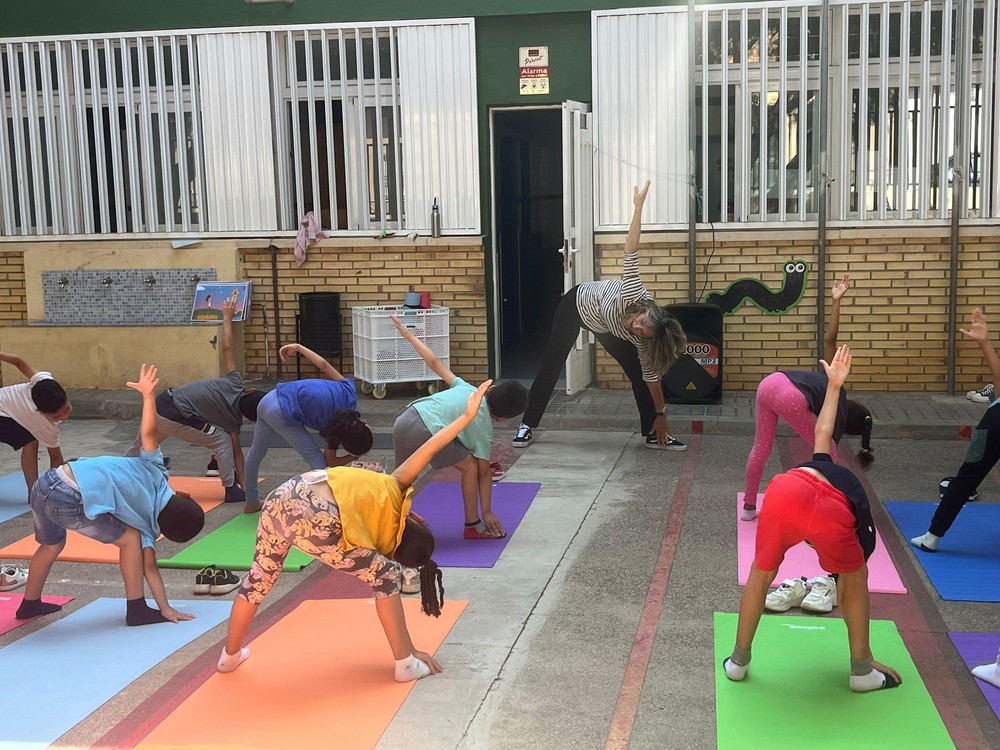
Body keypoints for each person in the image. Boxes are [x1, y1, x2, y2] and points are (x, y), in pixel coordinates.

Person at [217, 380, 495, 682]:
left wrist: (465, 417)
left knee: (260, 577)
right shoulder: (381, 537)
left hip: (284, 496)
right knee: (386, 576)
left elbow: (430, 447)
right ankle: (405, 664)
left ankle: (229, 656)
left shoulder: (395, 483)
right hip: (318, 516)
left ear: (415, 519)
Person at [723, 346, 902, 693]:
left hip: (784, 491)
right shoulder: (850, 497)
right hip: (833, 511)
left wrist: (834, 386)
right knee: (854, 578)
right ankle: (862, 669)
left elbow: (822, 429)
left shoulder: (822, 455)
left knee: (761, 572)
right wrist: (835, 386)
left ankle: (737, 662)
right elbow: (856, 560)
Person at [16, 364, 205, 625]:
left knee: (51, 544)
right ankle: (137, 609)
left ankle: (29, 604)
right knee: (131, 539)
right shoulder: (148, 529)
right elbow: (150, 568)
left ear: (183, 495)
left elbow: (149, 433)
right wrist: (166, 608)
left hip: (46, 482)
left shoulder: (156, 469)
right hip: (67, 498)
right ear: (165, 531)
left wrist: (149, 397)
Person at [512, 181, 687, 452]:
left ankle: (653, 432)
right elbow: (631, 248)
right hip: (577, 306)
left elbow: (651, 377)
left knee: (639, 374)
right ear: (643, 310)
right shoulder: (633, 291)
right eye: (641, 323)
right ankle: (527, 425)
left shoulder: (642, 339)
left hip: (606, 327)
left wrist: (662, 415)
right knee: (552, 363)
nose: (637, 328)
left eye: (642, 333)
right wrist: (638, 208)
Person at [741, 275, 874, 523]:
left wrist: (836, 302)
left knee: (761, 446)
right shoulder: (838, 405)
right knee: (828, 453)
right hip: (791, 395)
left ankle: (749, 507)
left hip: (770, 382)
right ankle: (828, 509)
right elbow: (826, 441)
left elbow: (829, 340)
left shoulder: (833, 379)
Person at [390, 315, 528, 538]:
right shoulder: (484, 426)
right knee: (471, 467)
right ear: (502, 418)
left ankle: (391, 524)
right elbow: (484, 473)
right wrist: (488, 512)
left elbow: (435, 363)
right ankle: (472, 525)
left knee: (398, 481)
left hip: (406, 418)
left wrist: (409, 336)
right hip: (427, 429)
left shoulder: (467, 388)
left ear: (491, 388)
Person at [127, 299, 264, 505]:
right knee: (222, 441)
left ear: (250, 390)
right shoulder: (233, 420)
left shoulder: (234, 381)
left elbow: (227, 348)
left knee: (139, 447)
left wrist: (226, 317)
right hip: (176, 415)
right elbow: (237, 452)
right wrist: (246, 488)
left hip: (160, 403)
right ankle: (230, 489)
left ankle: (117, 475)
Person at [242, 343, 373, 513]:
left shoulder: (349, 392)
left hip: (268, 398)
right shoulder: (333, 429)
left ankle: (251, 502)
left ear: (364, 423)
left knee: (256, 451)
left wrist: (299, 347)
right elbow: (330, 463)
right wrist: (353, 456)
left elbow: (324, 365)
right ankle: (330, 509)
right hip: (280, 412)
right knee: (318, 464)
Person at [911, 307, 1000, 552]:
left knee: (965, 480)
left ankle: (931, 537)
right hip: (995, 418)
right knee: (964, 480)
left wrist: (984, 342)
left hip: (994, 419)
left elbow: (998, 378)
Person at [0, 350, 72, 497]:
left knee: (29, 440)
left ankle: (34, 493)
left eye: (67, 409)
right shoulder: (45, 425)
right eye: (56, 416)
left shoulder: (45, 381)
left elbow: (18, 361)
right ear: (40, 411)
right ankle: (34, 494)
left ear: (65, 392)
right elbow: (56, 458)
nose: (64, 417)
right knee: (30, 442)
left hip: (5, 408)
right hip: (2, 411)